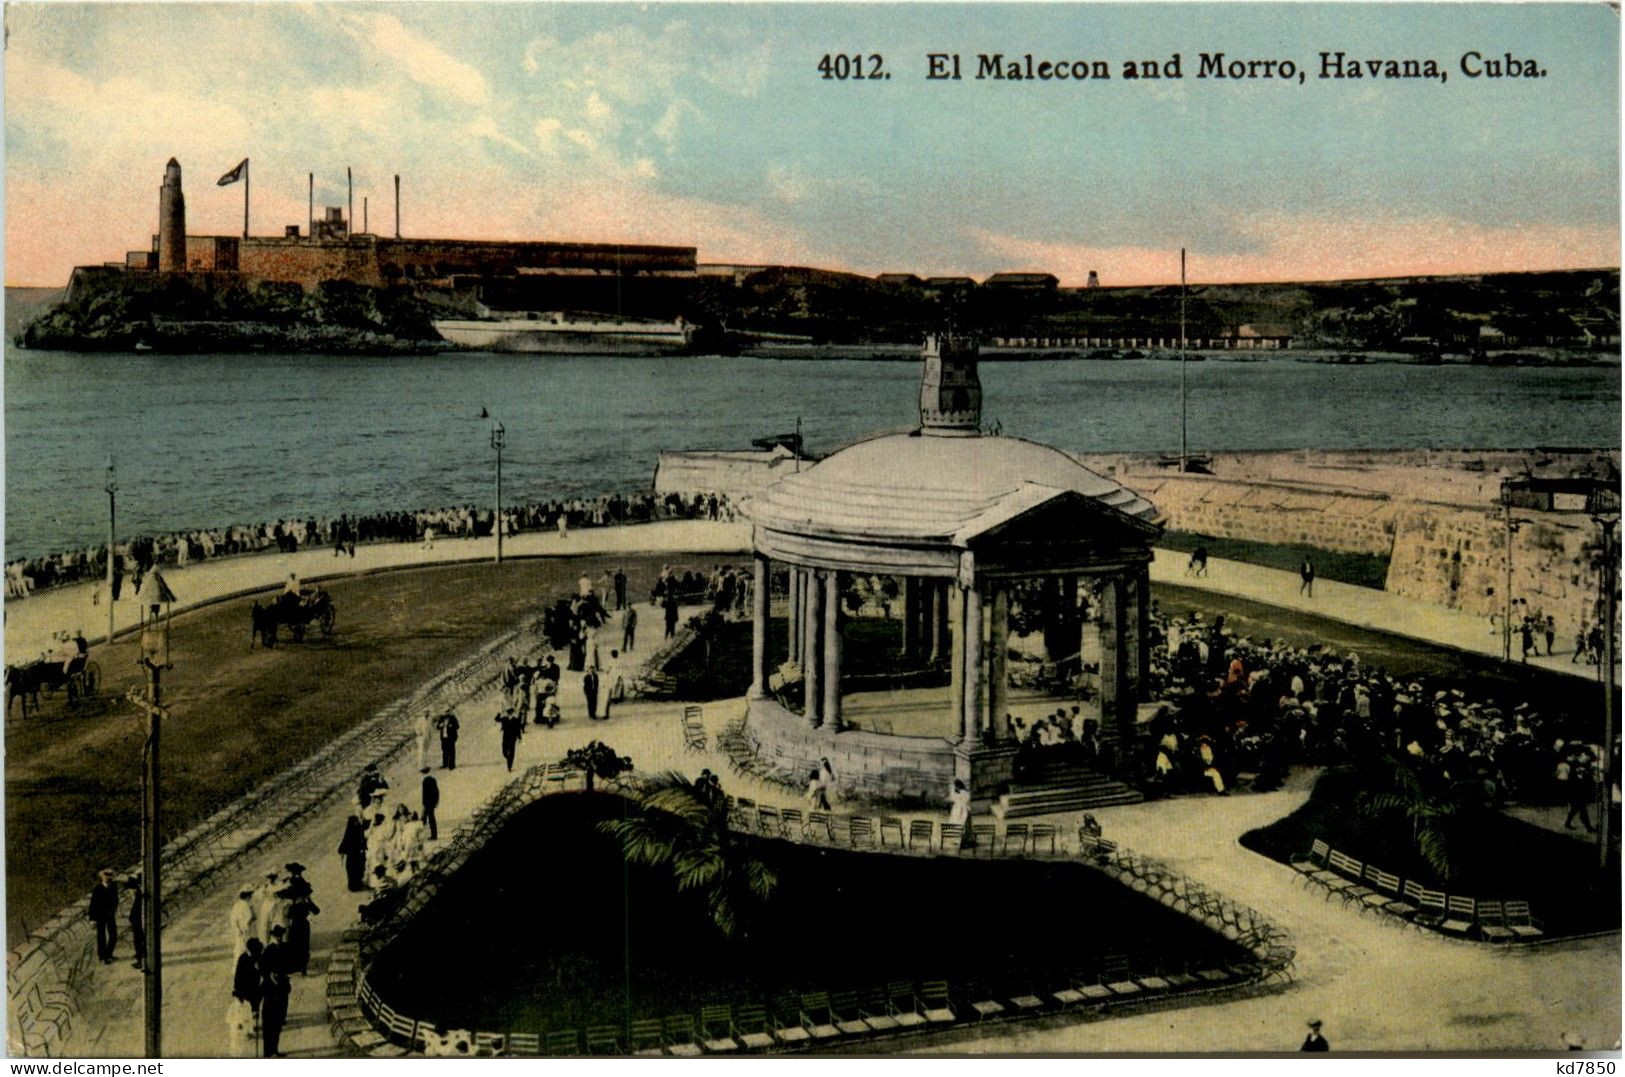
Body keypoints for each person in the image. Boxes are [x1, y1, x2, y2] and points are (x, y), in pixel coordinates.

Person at [259, 926, 292, 1057]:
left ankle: (275, 1049)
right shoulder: (268, 950)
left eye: (280, 936)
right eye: (277, 936)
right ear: (272, 937)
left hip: (282, 988)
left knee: (278, 1022)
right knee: (269, 1024)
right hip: (271, 991)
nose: (279, 938)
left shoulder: (283, 948)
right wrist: (271, 975)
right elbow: (262, 970)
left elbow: (288, 964)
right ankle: (267, 1052)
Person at [89, 867, 119, 964]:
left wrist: (114, 909)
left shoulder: (113, 886)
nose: (107, 878)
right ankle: (102, 958)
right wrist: (92, 919)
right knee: (101, 937)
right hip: (100, 916)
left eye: (109, 876)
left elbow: (116, 900)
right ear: (102, 877)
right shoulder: (97, 889)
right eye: (105, 876)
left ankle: (108, 954)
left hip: (110, 915)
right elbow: (93, 905)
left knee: (113, 935)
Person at [338, 814, 369, 892]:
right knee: (353, 871)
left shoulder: (357, 829)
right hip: (352, 856)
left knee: (359, 869)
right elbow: (343, 845)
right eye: (356, 821)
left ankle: (358, 884)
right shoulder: (350, 833)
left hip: (357, 855)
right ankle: (354, 886)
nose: (357, 822)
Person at [126, 874, 146, 970]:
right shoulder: (139, 893)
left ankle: (140, 961)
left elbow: (136, 910)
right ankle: (139, 956)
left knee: (139, 941)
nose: (130, 892)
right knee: (139, 941)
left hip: (138, 922)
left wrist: (131, 919)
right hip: (137, 922)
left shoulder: (139, 895)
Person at [497, 706, 524, 771]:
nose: (508, 713)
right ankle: (508, 759)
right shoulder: (504, 718)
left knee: (511, 753)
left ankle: (509, 767)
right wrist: (499, 713)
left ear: (512, 713)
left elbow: (518, 729)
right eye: (508, 712)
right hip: (505, 737)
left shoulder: (516, 720)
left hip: (512, 738)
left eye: (509, 712)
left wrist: (519, 737)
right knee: (504, 752)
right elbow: (497, 719)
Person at [421, 770, 440, 841]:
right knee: (426, 818)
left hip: (428, 803)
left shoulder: (425, 781)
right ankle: (433, 835)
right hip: (431, 803)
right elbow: (437, 791)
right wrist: (436, 802)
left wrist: (424, 803)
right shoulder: (432, 780)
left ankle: (433, 835)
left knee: (428, 819)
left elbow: (425, 794)